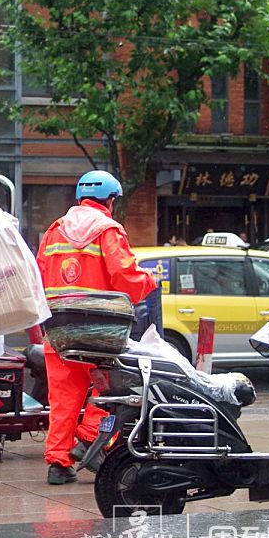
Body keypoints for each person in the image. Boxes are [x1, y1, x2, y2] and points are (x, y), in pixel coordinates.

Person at [36, 170, 157, 485]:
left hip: (58, 331)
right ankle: (89, 440)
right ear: (111, 200)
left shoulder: (54, 231)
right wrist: (149, 281)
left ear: (80, 198)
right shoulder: (108, 230)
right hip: (100, 333)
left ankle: (58, 464)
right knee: (116, 388)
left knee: (63, 399)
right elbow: (125, 277)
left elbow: (38, 277)